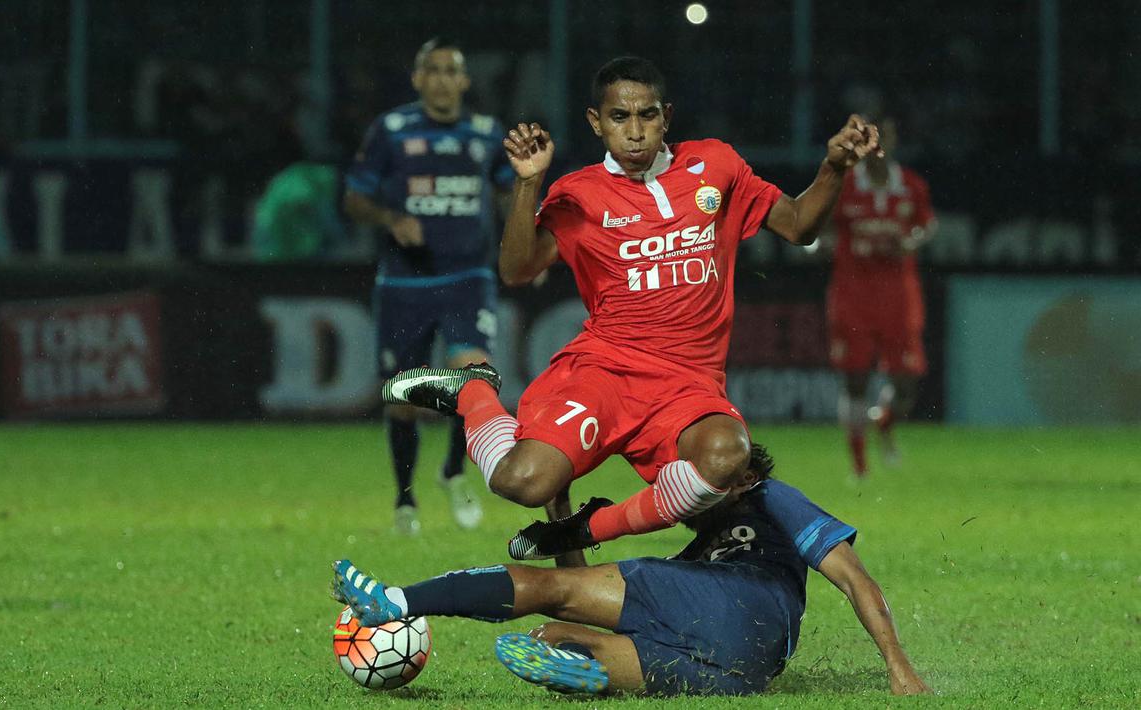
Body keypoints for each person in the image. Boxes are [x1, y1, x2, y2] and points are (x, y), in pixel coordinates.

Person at [383, 56, 881, 554]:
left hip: (687, 382)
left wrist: (833, 167)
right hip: (605, 371)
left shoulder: (716, 165)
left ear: (666, 115)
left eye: (647, 115)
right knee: (523, 482)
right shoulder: (578, 193)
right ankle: (472, 394)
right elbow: (517, 269)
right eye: (620, 118)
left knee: (728, 458)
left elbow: (798, 225)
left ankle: (581, 530)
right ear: (596, 122)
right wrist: (528, 183)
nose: (636, 131)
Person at [331, 443, 930, 697]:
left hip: (740, 603)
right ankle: (590, 674)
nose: (691, 487)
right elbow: (595, 591)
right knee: (559, 633)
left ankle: (397, 601)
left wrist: (900, 669)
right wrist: (562, 515)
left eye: (705, 478)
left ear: (742, 476)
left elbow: (854, 577)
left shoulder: (769, 494)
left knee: (553, 595)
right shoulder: (703, 553)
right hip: (746, 667)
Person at [344, 37, 516, 535]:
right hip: (405, 281)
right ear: (418, 79)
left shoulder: (486, 134)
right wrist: (390, 218)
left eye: (451, 71)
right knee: (403, 401)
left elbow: (510, 191)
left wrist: (527, 243)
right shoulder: (392, 131)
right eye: (432, 70)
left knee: (475, 376)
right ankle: (405, 500)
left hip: (469, 275)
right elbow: (355, 198)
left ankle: (454, 471)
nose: (442, 79)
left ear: (464, 81)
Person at [826, 117, 937, 476]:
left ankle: (885, 421)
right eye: (867, 138)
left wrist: (911, 241)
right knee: (855, 378)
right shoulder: (843, 186)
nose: (875, 145)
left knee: (907, 381)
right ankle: (859, 465)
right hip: (853, 294)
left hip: (899, 295)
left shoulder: (910, 185)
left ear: (892, 140)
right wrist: (817, 245)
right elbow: (819, 225)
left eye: (881, 137)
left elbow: (927, 225)